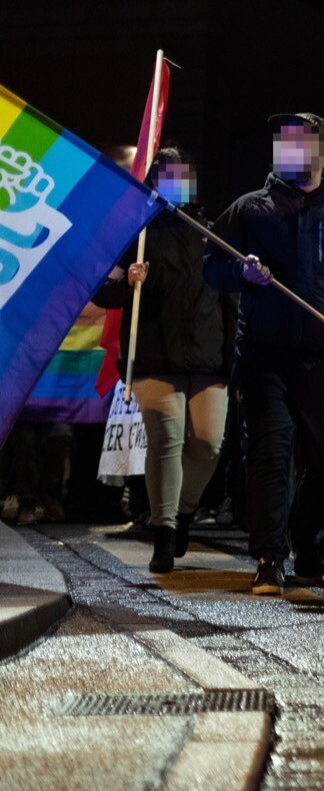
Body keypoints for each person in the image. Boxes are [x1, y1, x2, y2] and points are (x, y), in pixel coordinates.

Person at [205, 113, 324, 596]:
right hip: (263, 358)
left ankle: (304, 535)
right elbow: (213, 267)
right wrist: (240, 275)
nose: (287, 149)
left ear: (322, 153)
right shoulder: (250, 209)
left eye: (299, 142)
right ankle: (269, 556)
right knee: (270, 455)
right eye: (282, 141)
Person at [92, 148, 235, 573]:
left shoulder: (213, 234)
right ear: (154, 183)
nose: (176, 183)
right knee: (166, 441)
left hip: (208, 358)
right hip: (155, 356)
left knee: (208, 445)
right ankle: (165, 533)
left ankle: (183, 510)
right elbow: (102, 290)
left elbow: (230, 301)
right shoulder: (136, 234)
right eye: (167, 176)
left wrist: (232, 357)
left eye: (182, 175)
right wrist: (128, 283)